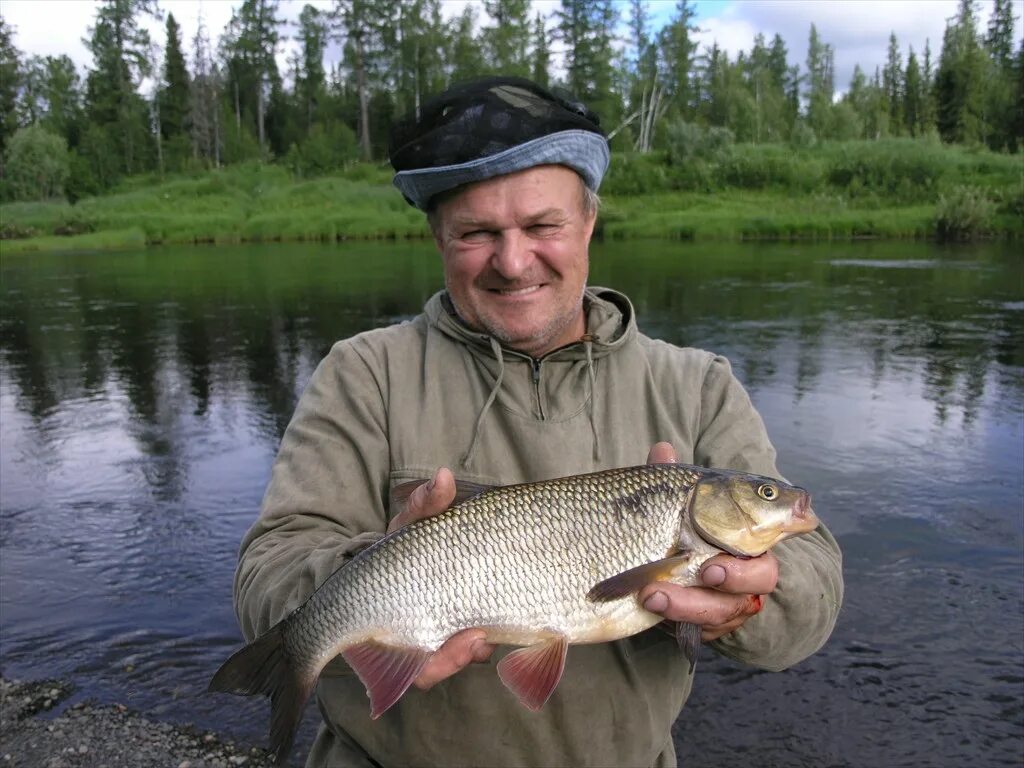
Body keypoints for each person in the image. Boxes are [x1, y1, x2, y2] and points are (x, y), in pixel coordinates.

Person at [233, 77, 843, 767]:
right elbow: (268, 571)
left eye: (542, 225)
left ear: (588, 221)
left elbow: (810, 592)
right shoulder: (364, 373)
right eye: (477, 233)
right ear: (438, 236)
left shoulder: (698, 384)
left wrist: (748, 604)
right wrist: (377, 576)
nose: (513, 261)